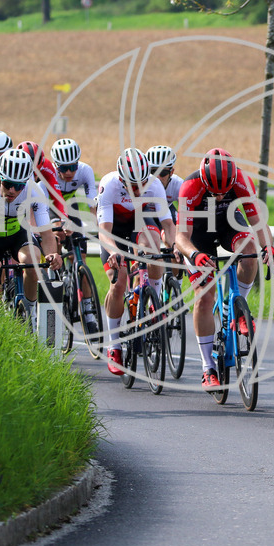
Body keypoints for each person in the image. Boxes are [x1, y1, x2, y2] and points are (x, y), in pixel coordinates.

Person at [174, 148, 274, 391]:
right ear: (203, 179)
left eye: (224, 192)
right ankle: (208, 367)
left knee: (250, 251)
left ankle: (239, 310)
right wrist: (195, 254)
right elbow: (181, 236)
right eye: (214, 192)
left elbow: (258, 223)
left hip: (228, 223)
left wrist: (268, 248)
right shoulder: (190, 187)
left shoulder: (242, 181)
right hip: (198, 234)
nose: (220, 197)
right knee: (205, 296)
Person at [97, 147, 179, 376]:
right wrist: (114, 252)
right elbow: (104, 231)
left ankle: (154, 303)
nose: (139, 189)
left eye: (142, 183)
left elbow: (168, 225)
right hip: (114, 230)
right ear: (122, 180)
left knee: (153, 247)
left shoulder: (153, 186)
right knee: (119, 282)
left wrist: (173, 248)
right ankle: (113, 347)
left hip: (140, 222)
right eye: (133, 186)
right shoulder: (109, 185)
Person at [0, 148, 62, 316]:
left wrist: (52, 254)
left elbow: (46, 234)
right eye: (8, 184)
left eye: (18, 186)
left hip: (18, 235)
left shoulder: (34, 192)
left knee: (33, 264)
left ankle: (29, 314)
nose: (12, 191)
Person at [50, 138, 100, 337]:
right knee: (55, 235)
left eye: (73, 166)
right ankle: (55, 274)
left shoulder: (85, 171)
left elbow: (92, 203)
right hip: (51, 208)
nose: (69, 172)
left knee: (81, 259)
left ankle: (87, 311)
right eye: (64, 167)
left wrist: (97, 225)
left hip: (72, 210)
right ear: (55, 165)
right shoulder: (48, 173)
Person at [146, 144, 182, 222]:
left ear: (171, 172)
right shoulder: (139, 183)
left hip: (167, 210)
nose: (157, 177)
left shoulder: (178, 184)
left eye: (163, 172)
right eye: (153, 172)